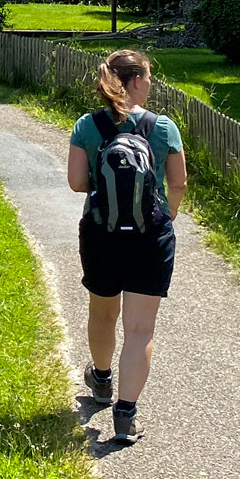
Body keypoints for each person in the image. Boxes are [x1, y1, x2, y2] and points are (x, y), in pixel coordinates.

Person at [66, 48, 186, 444]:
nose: (150, 85)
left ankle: (101, 380)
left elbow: (77, 183)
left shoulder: (88, 125)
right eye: (149, 78)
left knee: (103, 314)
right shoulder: (163, 127)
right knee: (140, 329)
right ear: (136, 81)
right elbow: (178, 183)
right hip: (150, 236)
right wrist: (163, 219)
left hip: (102, 232)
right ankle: (125, 415)